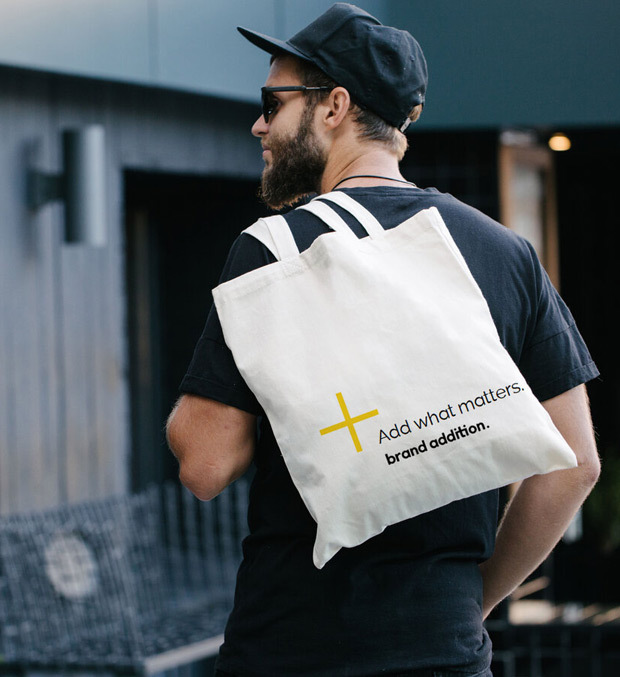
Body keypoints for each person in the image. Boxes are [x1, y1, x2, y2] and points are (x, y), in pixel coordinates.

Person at [166, 4, 600, 676]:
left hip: (294, 652)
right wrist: (475, 597)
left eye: (272, 101)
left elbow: (204, 464)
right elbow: (575, 463)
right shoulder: (507, 252)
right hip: (448, 652)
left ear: (334, 105)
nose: (259, 123)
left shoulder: (277, 250)